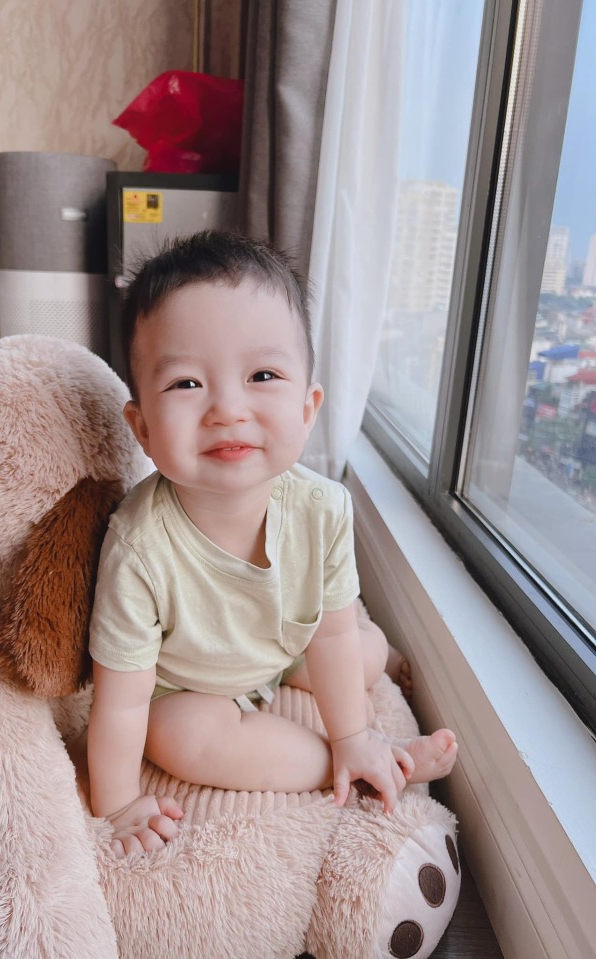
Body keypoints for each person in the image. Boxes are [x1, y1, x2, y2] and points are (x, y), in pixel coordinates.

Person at [88, 231, 457, 858]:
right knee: (179, 739)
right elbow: (120, 702)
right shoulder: (138, 547)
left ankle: (373, 697)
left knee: (358, 656)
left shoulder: (323, 508)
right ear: (142, 427)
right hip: (190, 686)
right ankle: (367, 766)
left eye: (262, 375)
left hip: (285, 650)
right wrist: (118, 805)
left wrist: (353, 730)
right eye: (186, 383)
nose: (227, 409)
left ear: (308, 408)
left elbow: (329, 635)